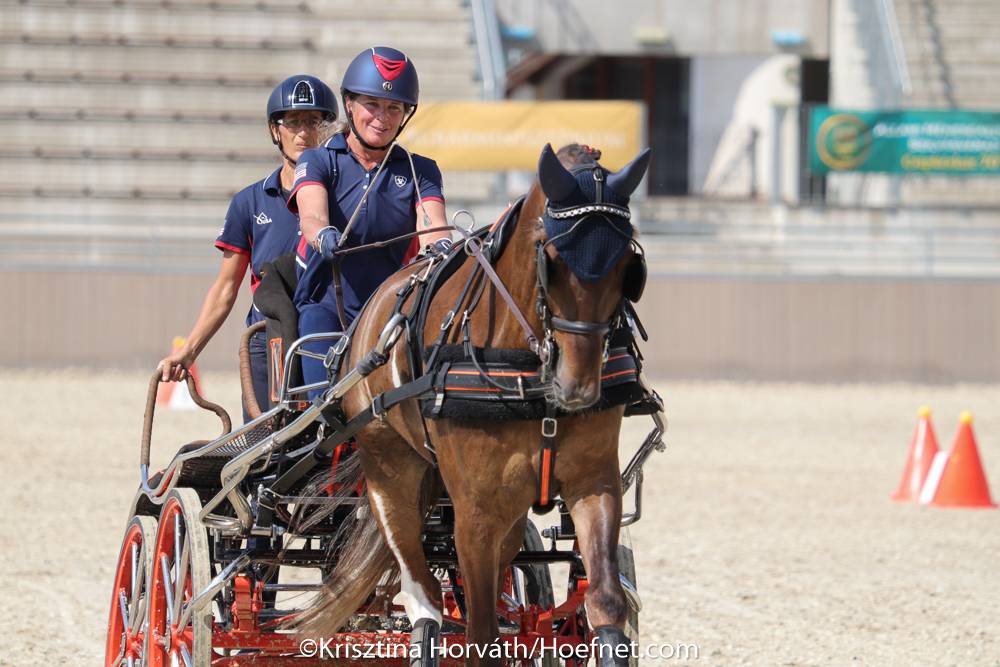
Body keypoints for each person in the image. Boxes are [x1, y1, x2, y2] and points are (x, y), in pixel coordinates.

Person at [158, 74, 338, 420]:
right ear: (275, 130)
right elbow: (226, 287)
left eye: (313, 121)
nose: (303, 132)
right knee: (266, 445)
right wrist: (189, 350)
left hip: (328, 337)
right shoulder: (249, 202)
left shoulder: (343, 198)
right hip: (267, 341)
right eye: (293, 122)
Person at [288, 47, 452, 394]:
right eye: (372, 104)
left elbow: (433, 225)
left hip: (390, 310)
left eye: (394, 107)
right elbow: (311, 217)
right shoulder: (318, 160)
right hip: (325, 308)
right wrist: (324, 235)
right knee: (325, 405)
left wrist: (441, 246)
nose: (382, 117)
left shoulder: (420, 170)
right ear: (349, 104)